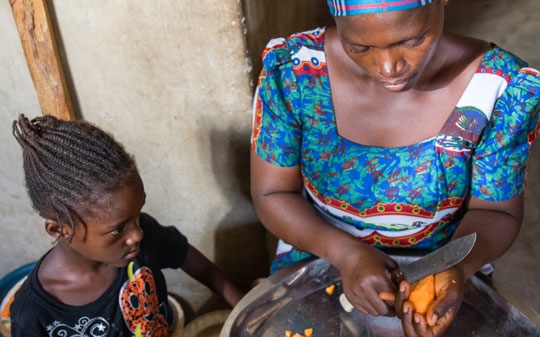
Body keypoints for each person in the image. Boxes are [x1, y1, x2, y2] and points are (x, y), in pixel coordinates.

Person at [250, 0, 540, 336]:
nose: (388, 67)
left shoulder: (501, 90)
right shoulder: (293, 73)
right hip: (318, 254)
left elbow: (497, 213)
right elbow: (272, 192)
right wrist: (346, 255)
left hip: (445, 267)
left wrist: (453, 269)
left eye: (410, 41)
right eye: (359, 46)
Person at [9, 114, 245, 337]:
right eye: (117, 229)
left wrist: (247, 310)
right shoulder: (33, 315)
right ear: (60, 229)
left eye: (138, 214)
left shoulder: (145, 235)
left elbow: (204, 269)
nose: (137, 234)